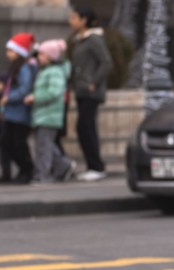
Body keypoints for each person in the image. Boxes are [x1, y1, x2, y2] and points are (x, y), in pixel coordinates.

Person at [69, 6, 113, 182]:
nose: (71, 22)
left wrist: (93, 82)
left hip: (90, 92)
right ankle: (92, 166)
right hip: (81, 91)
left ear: (84, 21)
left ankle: (96, 166)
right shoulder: (80, 40)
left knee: (86, 127)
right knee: (85, 128)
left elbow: (106, 62)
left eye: (74, 18)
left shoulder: (94, 40)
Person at [24, 39, 76, 183]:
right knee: (46, 146)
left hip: (49, 115)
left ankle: (43, 175)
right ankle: (64, 166)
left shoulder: (55, 72)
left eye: (41, 54)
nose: (38, 57)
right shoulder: (47, 71)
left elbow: (53, 93)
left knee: (44, 148)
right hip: (43, 115)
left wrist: (35, 98)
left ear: (50, 56)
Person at [0, 32, 37, 184]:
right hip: (12, 113)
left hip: (20, 113)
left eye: (11, 50)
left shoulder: (24, 68)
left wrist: (9, 98)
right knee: (7, 142)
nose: (8, 54)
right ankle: (24, 170)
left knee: (17, 144)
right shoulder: (16, 68)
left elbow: (24, 88)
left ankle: (27, 170)